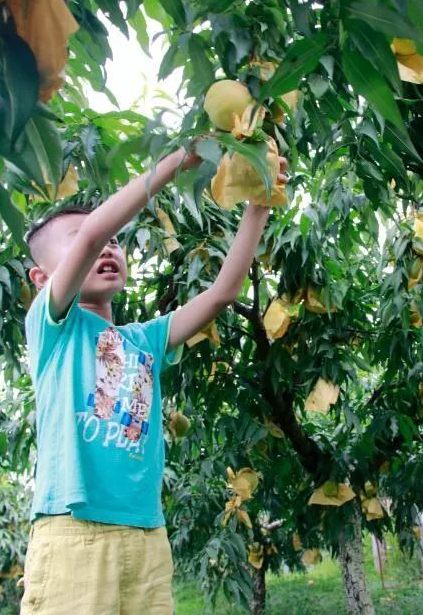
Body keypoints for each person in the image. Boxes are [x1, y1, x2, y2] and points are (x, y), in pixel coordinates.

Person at [19, 141, 288, 614]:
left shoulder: (142, 341)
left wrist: (258, 205)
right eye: (87, 239)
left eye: (117, 242)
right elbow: (92, 236)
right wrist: (177, 161)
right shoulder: (54, 327)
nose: (107, 245)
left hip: (146, 532)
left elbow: (223, 292)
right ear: (42, 279)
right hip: (74, 532)